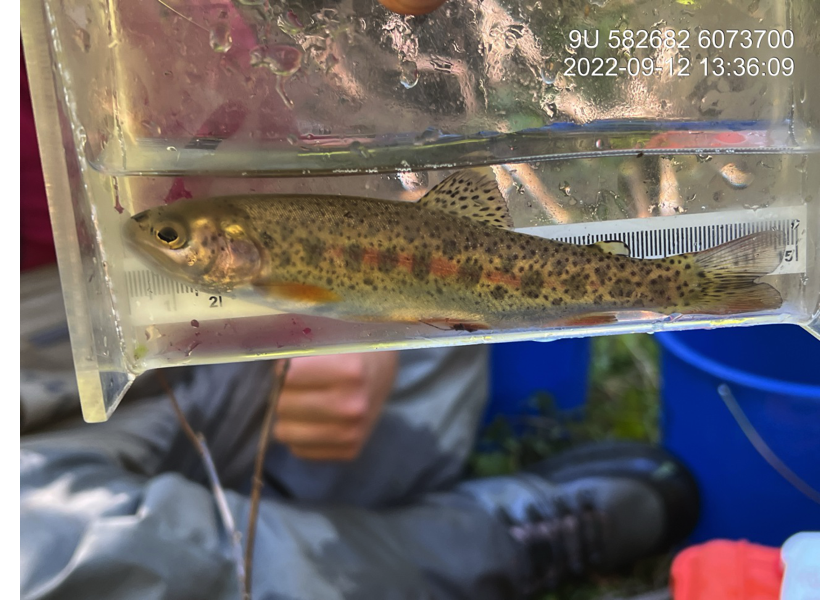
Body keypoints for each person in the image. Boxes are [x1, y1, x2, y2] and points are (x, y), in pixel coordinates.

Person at [21, 31, 699, 600]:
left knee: (440, 355)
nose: (158, 238)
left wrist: (349, 334)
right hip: (34, 348)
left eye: (172, 238)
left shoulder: (188, 26)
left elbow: (299, 151)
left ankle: (287, 529)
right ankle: (473, 543)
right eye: (171, 239)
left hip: (266, 313)